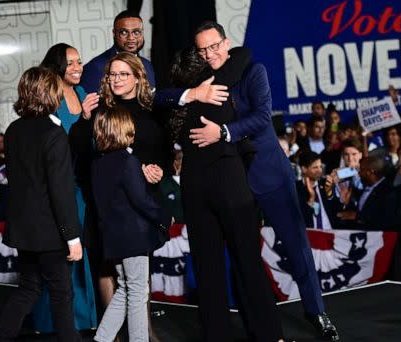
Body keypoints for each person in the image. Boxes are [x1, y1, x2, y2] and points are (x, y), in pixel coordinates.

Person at [188, 21, 339, 340]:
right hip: (232, 180)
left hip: (267, 172)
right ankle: (254, 321)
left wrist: (225, 132)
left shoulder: (253, 71)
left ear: (226, 44)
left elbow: (261, 116)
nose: (210, 53)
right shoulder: (203, 83)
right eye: (203, 49)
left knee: (295, 244)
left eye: (214, 46)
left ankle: (317, 311)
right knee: (242, 254)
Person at [170, 45, 283, 342]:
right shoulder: (218, 88)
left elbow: (156, 98)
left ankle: (215, 334)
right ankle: (268, 334)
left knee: (207, 269)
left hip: (194, 184)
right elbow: (243, 53)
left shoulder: (176, 105)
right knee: (247, 262)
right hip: (229, 181)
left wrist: (189, 94)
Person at [0, 66, 82, 341]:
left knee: (28, 290)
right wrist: (73, 237)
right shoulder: (54, 134)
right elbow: (61, 190)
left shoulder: (13, 130)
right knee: (61, 298)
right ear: (51, 92)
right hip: (51, 231)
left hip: (23, 230)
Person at [91, 106, 170, 342]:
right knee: (137, 292)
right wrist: (166, 218)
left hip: (114, 238)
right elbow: (141, 201)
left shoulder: (99, 162)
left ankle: (102, 338)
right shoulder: (128, 161)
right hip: (133, 237)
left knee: (125, 289)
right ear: (125, 128)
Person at [36, 42, 98, 333]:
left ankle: (85, 320)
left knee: (83, 250)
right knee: (64, 253)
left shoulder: (83, 93)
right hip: (61, 187)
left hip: (84, 184)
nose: (78, 67)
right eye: (70, 62)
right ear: (57, 66)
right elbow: (53, 143)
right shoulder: (48, 98)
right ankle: (58, 322)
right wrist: (84, 121)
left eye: (79, 61)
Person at [79, 10, 227, 115]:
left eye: (136, 32)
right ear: (114, 33)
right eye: (124, 32)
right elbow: (91, 115)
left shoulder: (146, 64)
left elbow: (153, 100)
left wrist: (191, 94)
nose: (131, 38)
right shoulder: (96, 67)